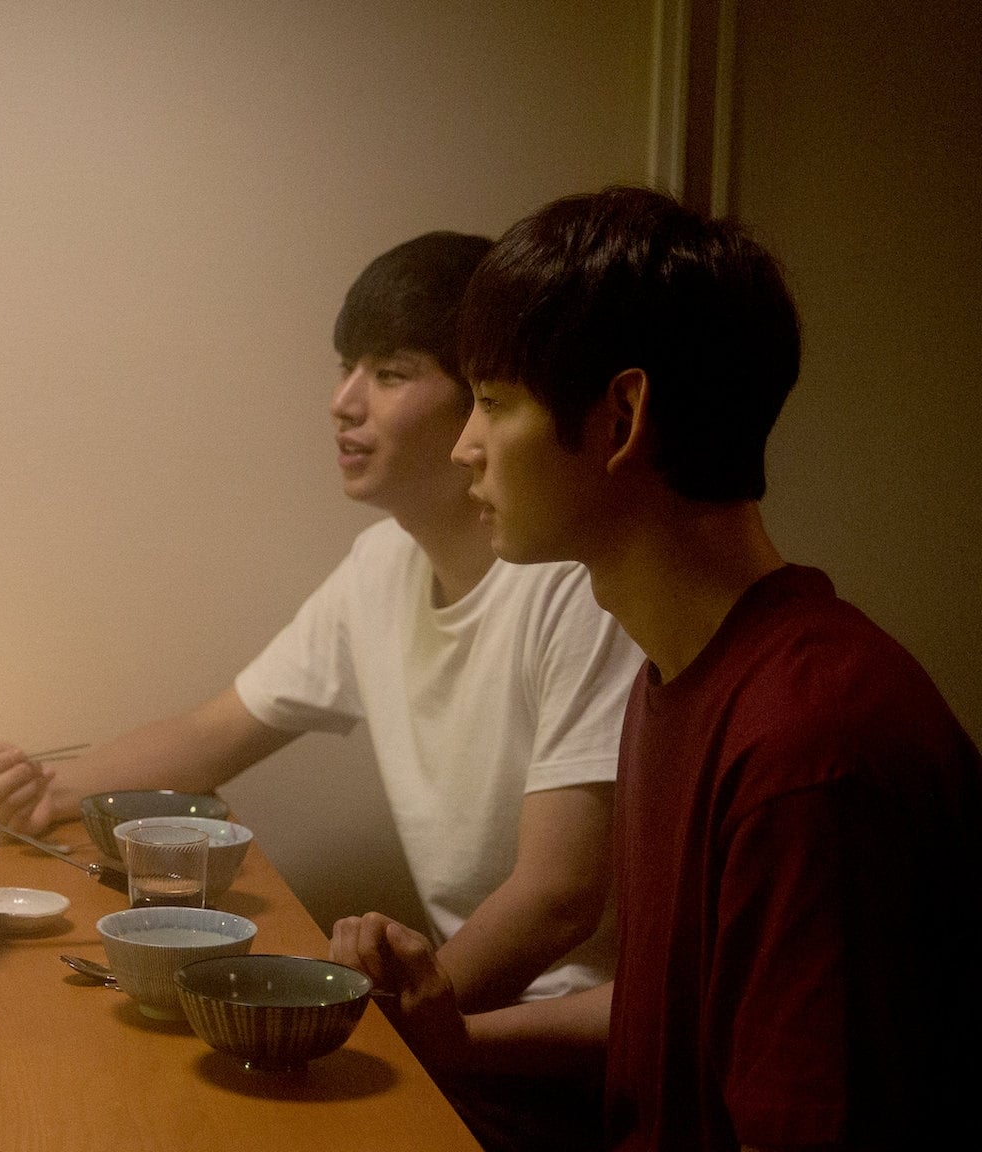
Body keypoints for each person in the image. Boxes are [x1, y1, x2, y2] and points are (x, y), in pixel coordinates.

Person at [331, 185, 982, 1150]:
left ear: (622, 417)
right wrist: (452, 1039)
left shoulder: (810, 748)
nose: (466, 447)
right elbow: (675, 1014)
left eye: (494, 404)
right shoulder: (678, 673)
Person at [0, 233, 643, 1148]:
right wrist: (50, 791)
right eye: (345, 368)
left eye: (391, 373)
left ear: (483, 400)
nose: (344, 402)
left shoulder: (572, 586)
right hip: (459, 1027)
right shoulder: (382, 566)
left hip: (568, 1062)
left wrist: (390, 1015)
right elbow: (214, 732)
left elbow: (559, 895)